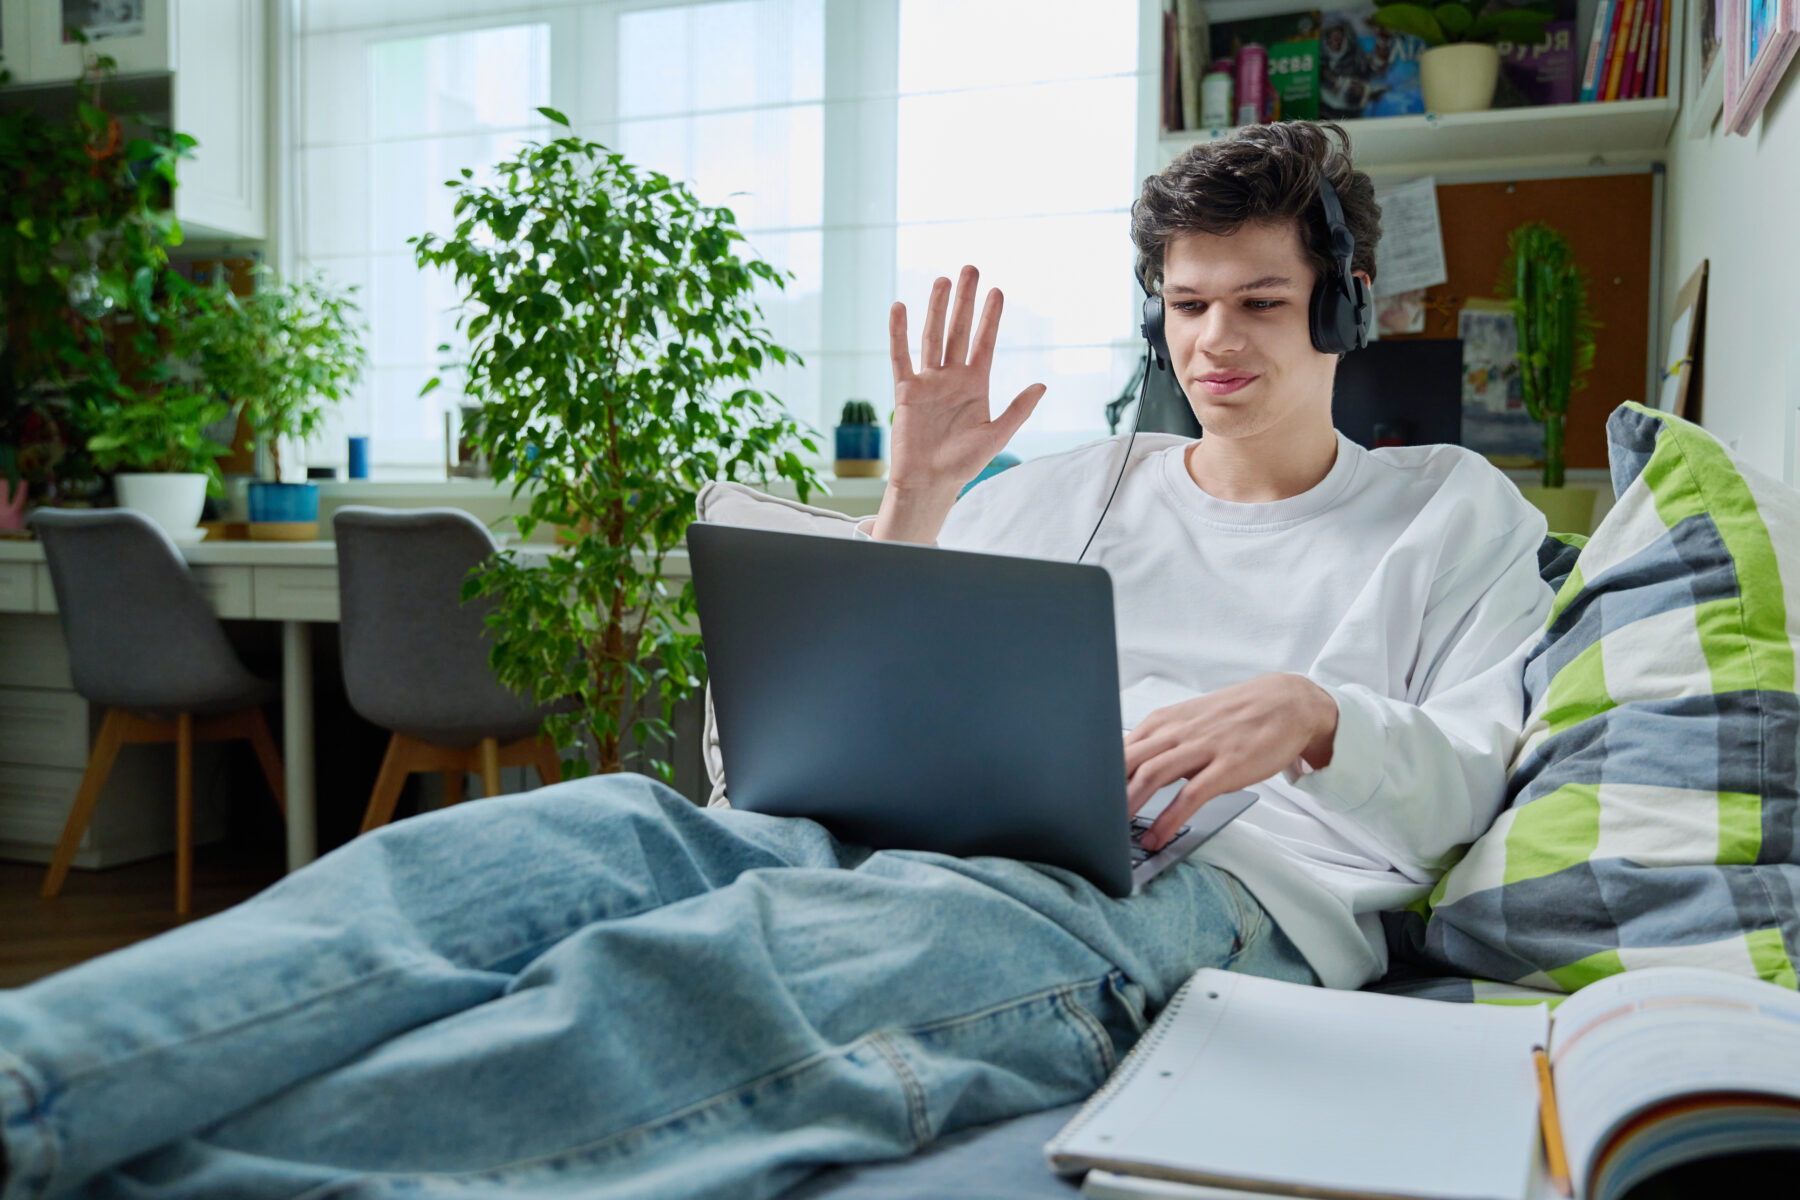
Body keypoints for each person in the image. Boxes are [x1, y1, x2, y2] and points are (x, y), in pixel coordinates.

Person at [0, 121, 1551, 1200]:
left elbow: (1468, 782)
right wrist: (916, 501)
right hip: (907, 821)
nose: (1217, 345)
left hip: (1190, 894)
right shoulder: (1087, 485)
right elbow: (830, 713)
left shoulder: (1447, 512)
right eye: (1189, 308)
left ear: (1343, 304)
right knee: (537, 843)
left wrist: (1315, 712)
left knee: (690, 978)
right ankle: (33, 1090)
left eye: (1261, 305)